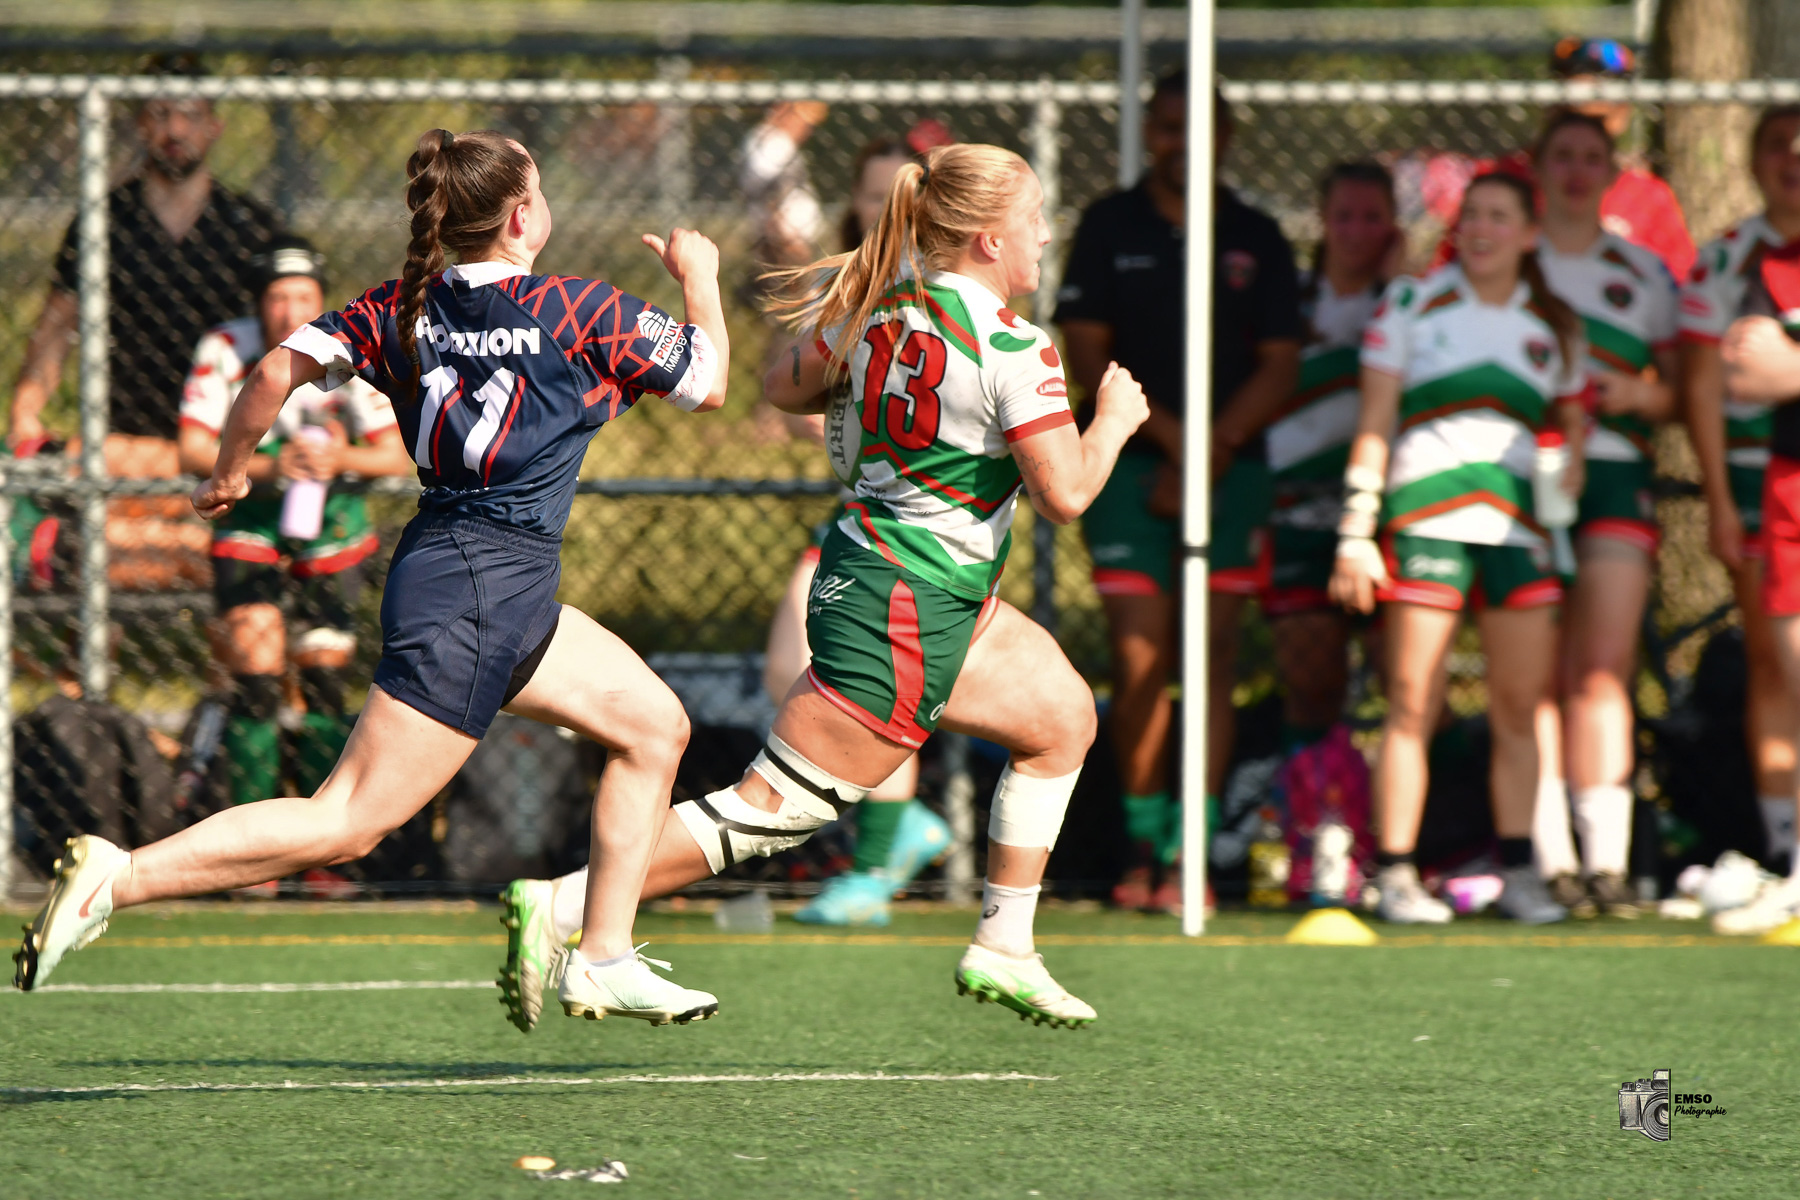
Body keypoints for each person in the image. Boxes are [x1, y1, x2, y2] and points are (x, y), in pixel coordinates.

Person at [15, 129, 734, 1032]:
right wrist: (699, 275)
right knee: (346, 820)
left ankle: (601, 955)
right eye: (540, 188)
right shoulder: (581, 306)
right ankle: (118, 878)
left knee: (653, 725)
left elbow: (275, 369)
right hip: (481, 589)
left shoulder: (402, 306)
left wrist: (233, 471)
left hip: (465, 575)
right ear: (524, 217)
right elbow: (707, 382)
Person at [496, 142, 1149, 1035]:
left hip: (900, 579)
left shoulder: (878, 308)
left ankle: (1006, 945)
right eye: (1035, 220)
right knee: (776, 810)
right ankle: (566, 906)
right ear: (991, 241)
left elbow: (780, 384)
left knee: (1063, 719)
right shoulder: (1015, 346)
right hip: (909, 600)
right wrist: (1110, 422)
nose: (1045, 236)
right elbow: (1067, 493)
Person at [1054, 71, 1302, 912]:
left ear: (1227, 136)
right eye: (1164, 125)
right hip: (1129, 466)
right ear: (1148, 132)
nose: (1178, 141)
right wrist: (1169, 446)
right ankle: (1143, 840)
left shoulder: (1258, 236)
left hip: (1233, 472)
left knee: (1213, 661)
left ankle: (1191, 848)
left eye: (1195, 127)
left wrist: (1213, 451)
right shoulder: (1108, 225)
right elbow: (1086, 352)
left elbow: (1281, 362)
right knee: (1138, 661)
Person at [1330, 172, 1587, 925]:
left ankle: (1519, 874)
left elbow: (1569, 422)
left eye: (1499, 216)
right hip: (1425, 521)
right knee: (1413, 702)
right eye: (1470, 214)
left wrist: (1569, 453)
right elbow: (1374, 420)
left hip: (1519, 530)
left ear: (1528, 232)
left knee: (1518, 706)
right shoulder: (1413, 300)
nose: (1481, 228)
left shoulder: (1554, 324)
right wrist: (1356, 532)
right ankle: (1398, 873)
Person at [770, 133, 954, 927]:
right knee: (793, 667)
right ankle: (888, 834)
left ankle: (877, 865)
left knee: (875, 688)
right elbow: (788, 394)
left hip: (924, 531)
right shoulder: (849, 286)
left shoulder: (937, 294)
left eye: (899, 198)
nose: (883, 211)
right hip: (861, 517)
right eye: (872, 196)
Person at [7, 55, 281, 588]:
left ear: (214, 126)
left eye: (188, 114)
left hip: (222, 435)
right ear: (140, 123)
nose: (175, 129)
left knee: (221, 538)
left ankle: (229, 660)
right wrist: (26, 414)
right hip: (123, 435)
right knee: (99, 532)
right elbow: (56, 327)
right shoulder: (105, 220)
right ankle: (86, 655)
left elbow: (289, 331)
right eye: (159, 113)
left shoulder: (249, 225)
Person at [177, 236, 413, 812]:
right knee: (256, 683)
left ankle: (319, 851)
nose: (289, 310)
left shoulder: (346, 343)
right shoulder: (227, 347)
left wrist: (342, 459)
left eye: (302, 295)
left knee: (325, 686)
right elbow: (190, 450)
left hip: (332, 531)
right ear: (259, 303)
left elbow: (393, 456)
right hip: (250, 525)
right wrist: (266, 466)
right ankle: (252, 852)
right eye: (277, 297)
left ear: (321, 296)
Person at [1523, 112, 1680, 919]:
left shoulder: (1644, 271)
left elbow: (1684, 391)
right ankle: (1552, 862)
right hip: (1523, 482)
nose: (1577, 172)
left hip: (1616, 475)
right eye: (1563, 157)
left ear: (1612, 170)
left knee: (1602, 668)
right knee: (1537, 675)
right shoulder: (1513, 255)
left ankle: (1608, 864)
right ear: (1539, 165)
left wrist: (1637, 395)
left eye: (1593, 159)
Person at [1682, 105, 1800, 920]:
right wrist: (1723, 502)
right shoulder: (1729, 256)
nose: (1793, 159)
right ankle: (1785, 848)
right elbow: (1702, 384)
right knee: (1777, 665)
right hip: (1774, 488)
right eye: (1778, 146)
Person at [1264, 161, 1402, 748]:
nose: (1356, 230)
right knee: (1311, 683)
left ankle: (1448, 831)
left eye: (1373, 217)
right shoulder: (1285, 303)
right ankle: (1316, 822)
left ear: (1394, 225)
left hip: (1386, 516)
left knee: (1408, 682)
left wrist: (1401, 286)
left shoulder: (1409, 306)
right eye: (1343, 215)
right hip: (1293, 511)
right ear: (1322, 219)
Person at [1423, 39, 1694, 284]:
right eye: (1571, 114)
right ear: (1550, 108)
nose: (1577, 167)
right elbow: (1447, 272)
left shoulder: (1648, 196)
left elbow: (1679, 284)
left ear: (1623, 114)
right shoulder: (1500, 181)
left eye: (1599, 121)